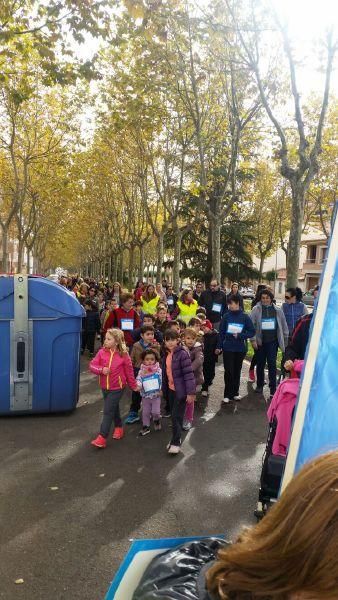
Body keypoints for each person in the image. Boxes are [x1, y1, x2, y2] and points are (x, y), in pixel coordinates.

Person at [89, 329, 138, 448]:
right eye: (105, 338)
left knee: (107, 411)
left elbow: (129, 371)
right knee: (113, 407)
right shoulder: (101, 352)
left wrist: (133, 385)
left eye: (108, 339)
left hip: (117, 388)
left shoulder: (124, 354)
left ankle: (102, 437)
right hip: (104, 386)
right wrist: (101, 370)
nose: (105, 340)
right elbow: (92, 365)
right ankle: (119, 428)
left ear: (116, 342)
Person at [162, 330, 196, 455]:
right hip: (171, 390)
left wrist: (191, 393)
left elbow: (189, 375)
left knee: (176, 416)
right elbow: (166, 374)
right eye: (167, 340)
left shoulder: (182, 354)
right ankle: (174, 439)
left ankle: (176, 442)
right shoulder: (167, 354)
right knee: (173, 415)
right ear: (164, 341)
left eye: (173, 339)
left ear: (178, 340)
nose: (170, 342)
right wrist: (163, 389)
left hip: (180, 391)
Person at [250, 289, 289, 398]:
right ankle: (259, 385)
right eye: (263, 298)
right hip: (260, 343)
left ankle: (273, 388)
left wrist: (285, 341)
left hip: (273, 342)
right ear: (260, 298)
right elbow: (250, 325)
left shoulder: (278, 310)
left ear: (271, 298)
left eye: (267, 298)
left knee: (272, 364)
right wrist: (253, 340)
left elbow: (284, 325)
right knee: (260, 364)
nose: (265, 300)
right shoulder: (256, 309)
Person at [217, 295, 255, 404]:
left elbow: (252, 331)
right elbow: (221, 333)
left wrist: (240, 335)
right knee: (228, 371)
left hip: (240, 348)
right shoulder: (226, 316)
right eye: (228, 304)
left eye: (231, 303)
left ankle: (235, 393)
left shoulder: (245, 317)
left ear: (238, 303)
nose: (230, 306)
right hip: (228, 347)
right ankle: (227, 394)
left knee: (237, 370)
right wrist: (219, 346)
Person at [125, 325, 161, 424]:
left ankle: (149, 412)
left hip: (151, 375)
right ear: (142, 335)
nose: (150, 336)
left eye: (152, 334)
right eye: (148, 334)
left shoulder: (156, 346)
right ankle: (133, 413)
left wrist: (155, 347)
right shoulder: (136, 345)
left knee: (150, 394)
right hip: (139, 372)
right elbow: (131, 360)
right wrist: (131, 374)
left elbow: (158, 360)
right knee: (136, 394)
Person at [181, 327, 204, 431]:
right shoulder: (181, 348)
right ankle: (181, 417)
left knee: (190, 400)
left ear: (196, 339)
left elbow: (199, 360)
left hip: (193, 379)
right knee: (181, 399)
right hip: (182, 379)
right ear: (184, 338)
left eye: (193, 338)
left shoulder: (198, 349)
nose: (190, 340)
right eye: (188, 338)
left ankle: (189, 419)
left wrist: (188, 369)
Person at [136, 349, 162, 436]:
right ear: (143, 360)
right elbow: (139, 379)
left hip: (156, 395)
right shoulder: (141, 371)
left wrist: (161, 389)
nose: (150, 361)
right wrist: (138, 386)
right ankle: (145, 426)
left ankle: (156, 419)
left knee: (156, 412)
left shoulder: (158, 370)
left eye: (152, 359)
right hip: (145, 396)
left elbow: (161, 380)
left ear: (155, 360)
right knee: (145, 412)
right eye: (147, 359)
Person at [248, 285, 268, 382]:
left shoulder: (272, 303)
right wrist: (253, 339)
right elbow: (252, 322)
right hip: (257, 335)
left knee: (262, 358)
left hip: (267, 336)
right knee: (257, 356)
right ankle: (251, 369)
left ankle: (261, 376)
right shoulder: (255, 304)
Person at [200, 320, 218, 397]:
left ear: (210, 327)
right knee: (205, 373)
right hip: (204, 358)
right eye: (202, 328)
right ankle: (205, 388)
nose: (204, 330)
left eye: (205, 327)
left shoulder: (217, 335)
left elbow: (219, 346)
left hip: (212, 358)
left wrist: (219, 351)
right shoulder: (202, 337)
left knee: (211, 374)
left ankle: (208, 382)